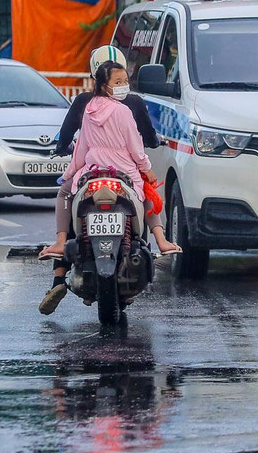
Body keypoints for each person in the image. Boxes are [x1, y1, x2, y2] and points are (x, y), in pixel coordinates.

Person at [38, 61, 180, 315]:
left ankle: (60, 243)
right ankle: (161, 240)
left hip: (91, 171)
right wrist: (146, 168)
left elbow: (80, 149)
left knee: (65, 195)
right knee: (148, 193)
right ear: (104, 85)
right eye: (118, 82)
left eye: (125, 80)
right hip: (124, 170)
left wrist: (69, 174)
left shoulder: (88, 109)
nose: (123, 86)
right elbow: (136, 147)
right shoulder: (125, 110)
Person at [56, 45, 161, 155]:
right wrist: (155, 141)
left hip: (90, 165)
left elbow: (66, 134)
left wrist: (61, 147)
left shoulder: (83, 101)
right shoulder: (135, 102)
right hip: (125, 167)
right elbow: (149, 136)